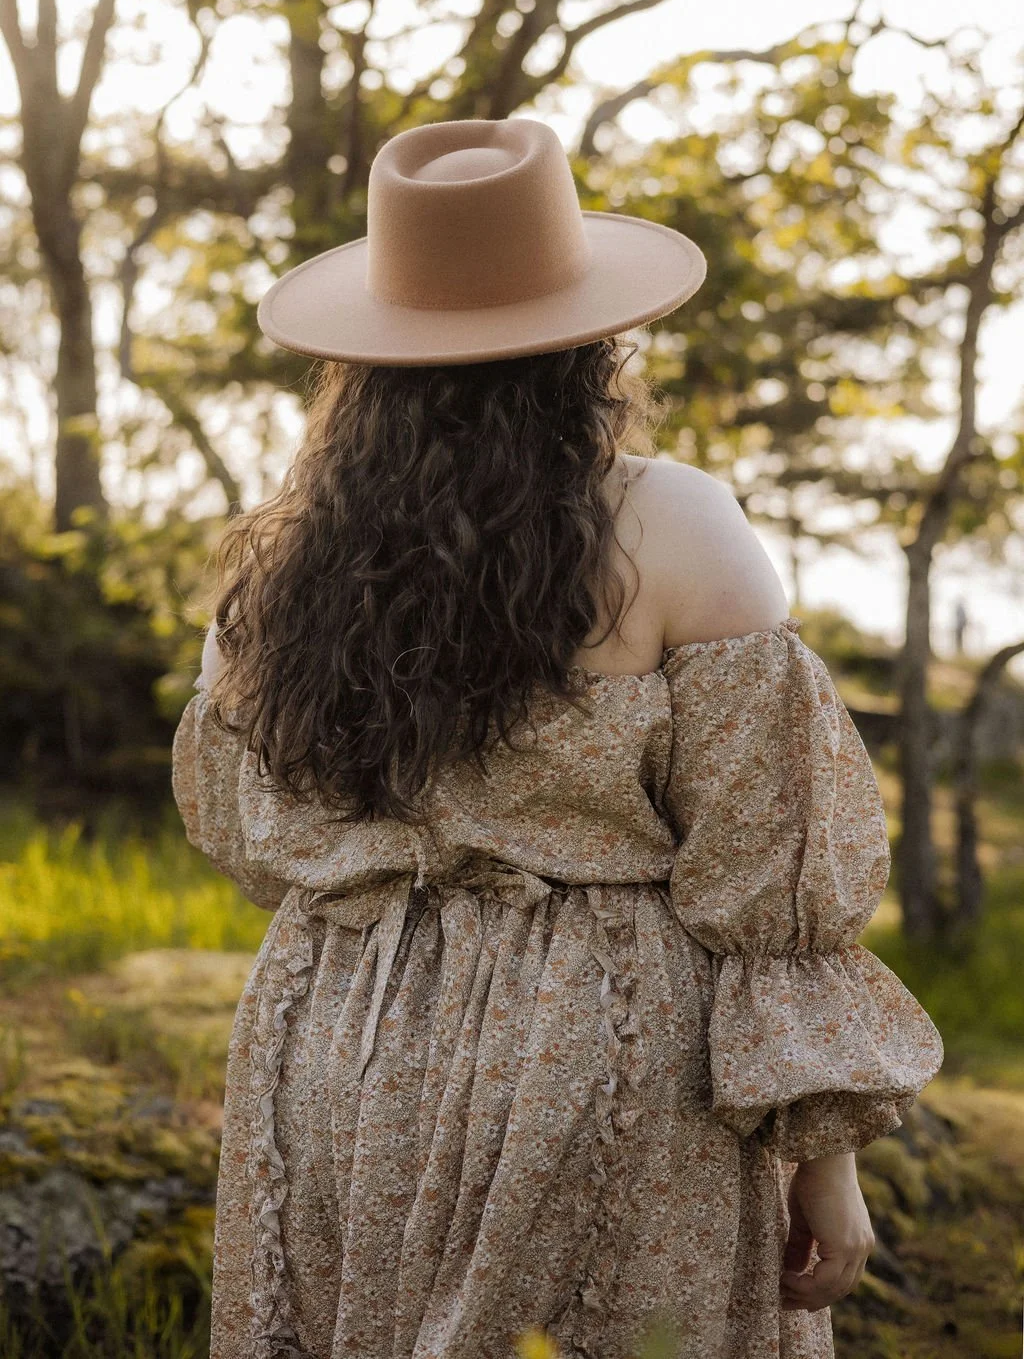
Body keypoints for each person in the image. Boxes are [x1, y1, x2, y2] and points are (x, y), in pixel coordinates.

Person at [171, 117, 944, 1359]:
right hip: (599, 1044)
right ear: (591, 342)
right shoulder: (672, 525)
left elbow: (248, 832)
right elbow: (771, 864)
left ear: (366, 360)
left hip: (337, 1038)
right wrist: (823, 1155)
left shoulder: (282, 569)